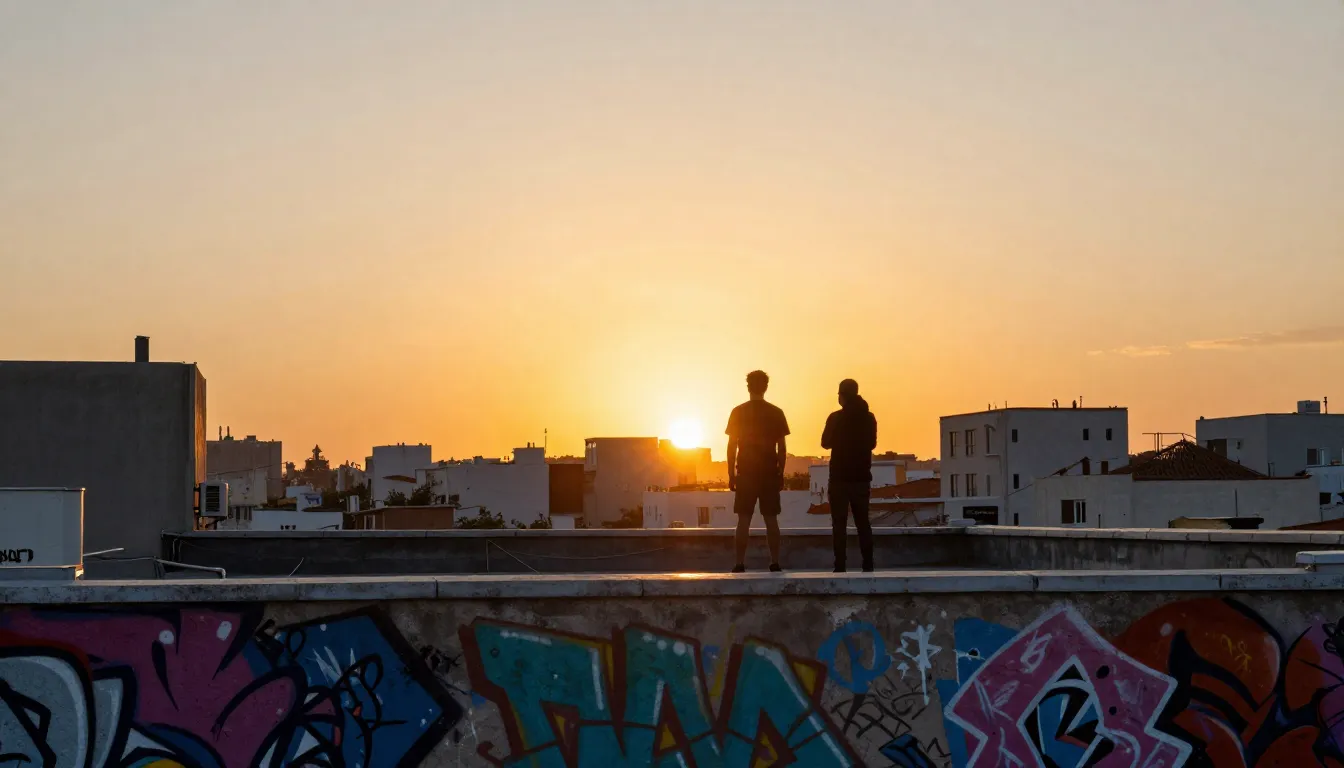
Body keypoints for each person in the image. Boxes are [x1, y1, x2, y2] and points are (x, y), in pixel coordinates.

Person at [725, 370, 789, 573]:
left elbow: (731, 446)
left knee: (743, 519)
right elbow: (782, 448)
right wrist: (781, 473)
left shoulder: (738, 412)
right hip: (769, 472)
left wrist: (731, 474)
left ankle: (739, 563)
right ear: (766, 387)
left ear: (748, 387)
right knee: (771, 519)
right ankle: (775, 562)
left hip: (746, 472)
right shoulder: (776, 412)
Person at [822, 378, 877, 572]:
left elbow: (825, 443)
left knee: (839, 524)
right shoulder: (868, 418)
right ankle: (868, 564)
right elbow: (872, 444)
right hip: (861, 478)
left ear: (842, 396)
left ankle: (840, 566)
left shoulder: (835, 418)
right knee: (863, 523)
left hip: (839, 478)